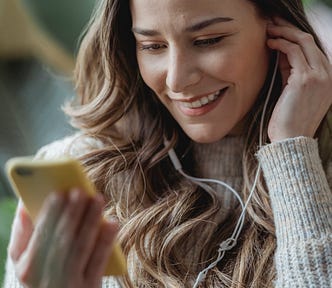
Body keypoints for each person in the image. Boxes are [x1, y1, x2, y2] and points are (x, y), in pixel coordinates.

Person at [4, 0, 332, 287]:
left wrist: (293, 152)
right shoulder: (81, 171)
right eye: (152, 46)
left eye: (208, 40)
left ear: (281, 32)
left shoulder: (318, 177)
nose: (176, 79)